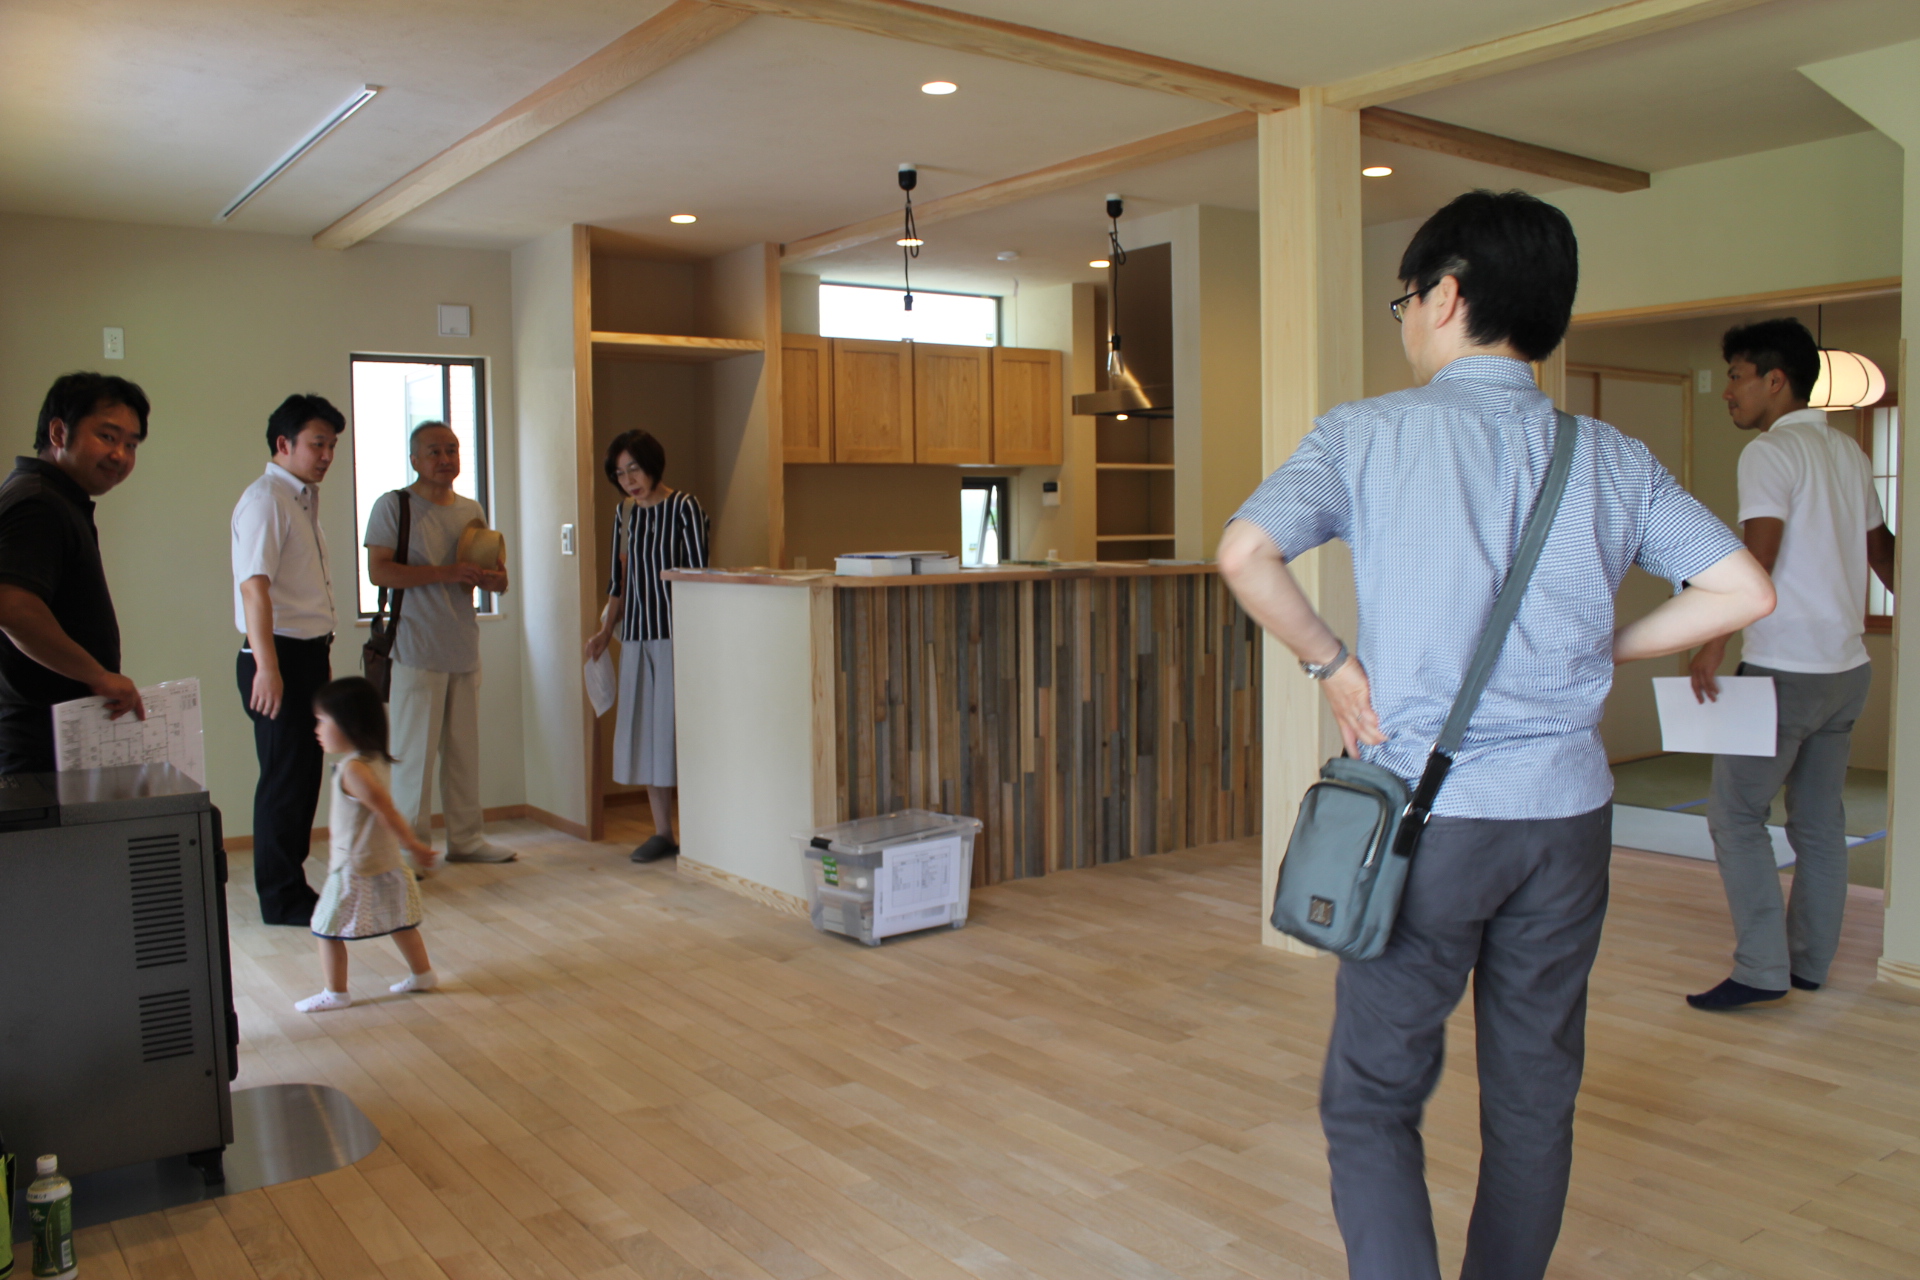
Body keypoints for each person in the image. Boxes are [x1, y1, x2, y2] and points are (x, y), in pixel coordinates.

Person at [1217, 189, 1775, 1280]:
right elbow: (1743, 589)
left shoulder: (1366, 434)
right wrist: (1608, 647)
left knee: (1373, 1097)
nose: (1405, 321)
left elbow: (1245, 552)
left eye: (1405, 300)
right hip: (1567, 821)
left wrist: (1332, 664)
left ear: (1447, 294)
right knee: (1533, 1097)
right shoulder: (1610, 456)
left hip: (1431, 826)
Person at [1684, 318, 1896, 1010]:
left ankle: (1759, 969)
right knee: (1820, 824)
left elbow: (1759, 558)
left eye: (1737, 377)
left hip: (1784, 671)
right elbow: (1884, 554)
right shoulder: (1848, 453)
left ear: (1776, 380)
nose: (1728, 392)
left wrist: (1713, 637)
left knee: (1734, 816)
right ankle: (1807, 965)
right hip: (1848, 671)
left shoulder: (1770, 453)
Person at [364, 421, 514, 866]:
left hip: (463, 646)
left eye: (452, 449)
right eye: (434, 451)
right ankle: (407, 850)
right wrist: (446, 573)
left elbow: (494, 575)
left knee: (464, 754)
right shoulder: (394, 506)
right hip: (415, 648)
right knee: (413, 758)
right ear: (414, 459)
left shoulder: (471, 509)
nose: (445, 459)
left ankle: (467, 839)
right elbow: (379, 571)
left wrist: (495, 580)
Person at [232, 393, 345, 925]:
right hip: (277, 657)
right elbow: (254, 588)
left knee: (302, 778)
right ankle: (280, 899)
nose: (327, 455)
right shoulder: (266, 500)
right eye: (318, 443)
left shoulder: (299, 500)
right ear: (284, 443)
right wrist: (268, 666)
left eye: (332, 445)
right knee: (284, 779)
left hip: (305, 656)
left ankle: (293, 888)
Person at [0, 373, 150, 774]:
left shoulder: (54, 498)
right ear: (58, 432)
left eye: (131, 445)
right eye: (107, 436)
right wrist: (97, 675)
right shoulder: (38, 501)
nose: (120, 455)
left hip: (58, 736)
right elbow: (12, 607)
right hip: (35, 745)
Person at [584, 430, 708, 863]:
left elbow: (697, 576)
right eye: (620, 474)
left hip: (676, 636)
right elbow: (618, 581)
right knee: (646, 735)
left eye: (634, 469)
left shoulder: (684, 507)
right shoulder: (625, 514)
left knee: (677, 732)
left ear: (653, 464)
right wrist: (605, 633)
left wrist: (696, 637)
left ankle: (701, 832)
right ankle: (662, 832)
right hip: (636, 635)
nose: (629, 481)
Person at [296, 676, 438, 1012]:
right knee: (400, 921)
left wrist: (413, 844)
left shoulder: (355, 770)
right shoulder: (375, 760)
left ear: (349, 723)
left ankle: (336, 993)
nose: (317, 729)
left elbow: (385, 810)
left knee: (326, 928)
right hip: (384, 861)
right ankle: (423, 974)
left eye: (322, 721)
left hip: (354, 867)